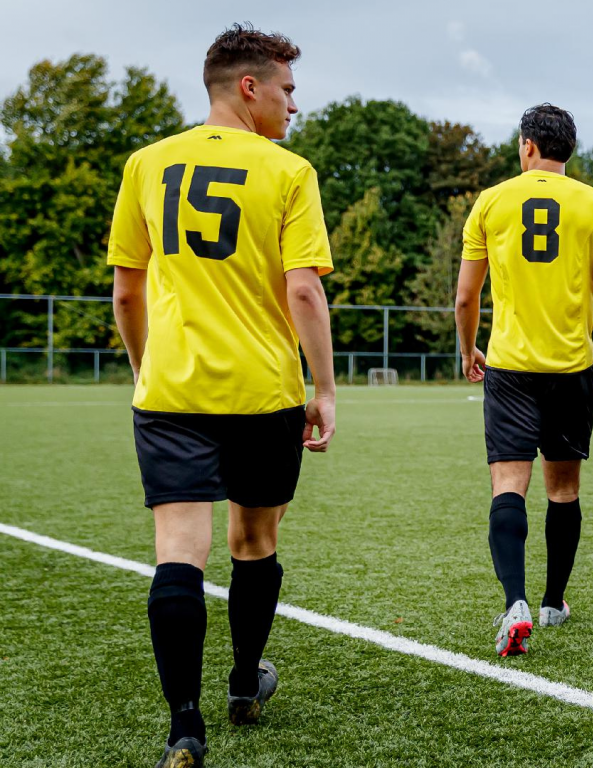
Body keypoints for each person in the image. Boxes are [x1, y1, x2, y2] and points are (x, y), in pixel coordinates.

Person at [107, 24, 336, 767]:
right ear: (250, 86)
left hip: (171, 390)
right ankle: (244, 684)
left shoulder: (145, 164)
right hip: (263, 390)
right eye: (288, 89)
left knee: (179, 552)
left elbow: (126, 289)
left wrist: (146, 367)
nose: (293, 105)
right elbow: (303, 288)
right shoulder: (289, 172)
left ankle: (184, 727)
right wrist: (324, 387)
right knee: (254, 543)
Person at [455, 103, 593, 657]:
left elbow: (465, 295)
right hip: (571, 367)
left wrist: (467, 347)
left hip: (508, 367)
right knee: (563, 490)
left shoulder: (491, 201)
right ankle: (554, 600)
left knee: (509, 486)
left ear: (527, 145)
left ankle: (515, 602)